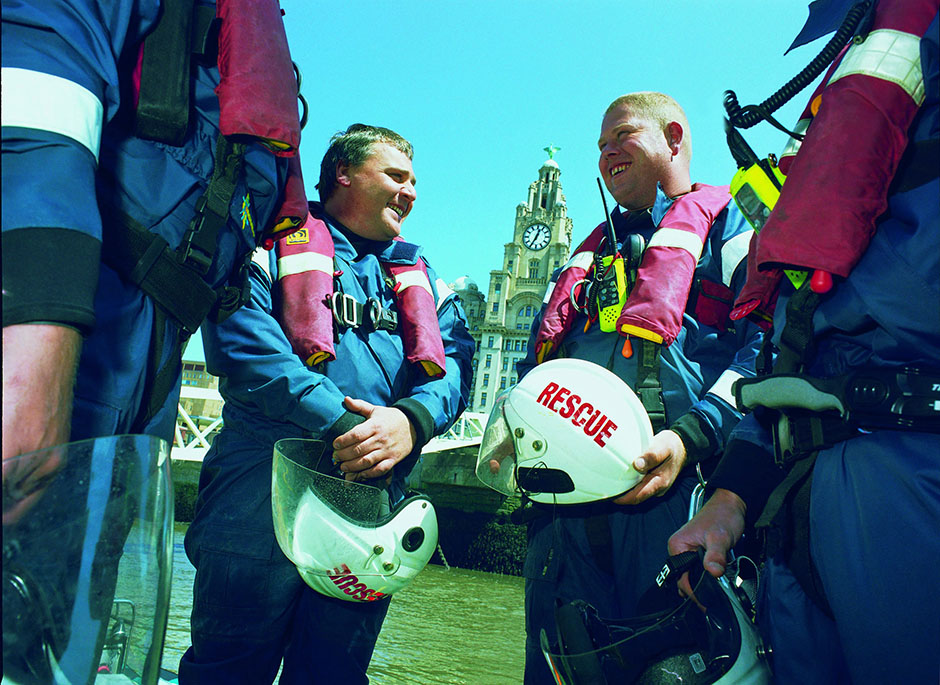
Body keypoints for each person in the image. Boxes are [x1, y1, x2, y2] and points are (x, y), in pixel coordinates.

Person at [2, 0, 304, 678]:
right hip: (68, 315)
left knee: (71, 615)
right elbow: (33, 73)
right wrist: (34, 320)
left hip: (152, 361)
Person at [668, 0, 939, 683]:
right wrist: (731, 495)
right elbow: (794, 333)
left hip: (913, 467)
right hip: (799, 499)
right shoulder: (856, 59)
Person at [178, 124, 475, 684]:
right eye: (396, 176)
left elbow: (456, 362)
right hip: (258, 494)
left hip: (368, 502)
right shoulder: (265, 240)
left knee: (334, 674)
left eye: (414, 181)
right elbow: (244, 347)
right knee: (227, 669)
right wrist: (347, 425)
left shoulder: (423, 278)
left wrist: (412, 422)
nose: (411, 192)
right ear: (343, 173)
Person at [516, 91, 763, 684]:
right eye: (600, 147)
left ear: (673, 139)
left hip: (675, 503)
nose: (606, 155)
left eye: (621, 137)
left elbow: (766, 348)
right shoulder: (587, 254)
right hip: (561, 515)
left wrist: (693, 434)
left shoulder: (729, 224)